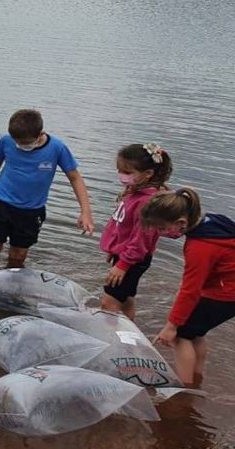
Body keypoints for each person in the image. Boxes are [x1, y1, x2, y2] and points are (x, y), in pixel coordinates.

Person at [0, 109, 94, 269]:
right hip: (1, 203)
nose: (21, 146)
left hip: (31, 211)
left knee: (18, 257)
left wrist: (85, 212)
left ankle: (10, 282)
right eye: (17, 142)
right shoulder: (6, 141)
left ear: (40, 134)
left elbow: (75, 178)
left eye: (26, 143)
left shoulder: (57, 147)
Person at [142, 188, 235, 388]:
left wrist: (170, 327)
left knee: (181, 336)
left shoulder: (199, 246)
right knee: (195, 332)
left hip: (226, 294)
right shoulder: (213, 221)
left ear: (181, 223)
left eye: (162, 228)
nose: (159, 233)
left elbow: (190, 290)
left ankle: (185, 388)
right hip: (226, 287)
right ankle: (197, 377)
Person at [98, 143, 173, 319]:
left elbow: (141, 241)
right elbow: (123, 226)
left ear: (148, 174)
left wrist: (123, 265)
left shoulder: (146, 202)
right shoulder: (134, 192)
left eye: (127, 172)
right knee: (126, 299)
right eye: (119, 170)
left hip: (132, 260)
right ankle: (130, 331)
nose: (121, 175)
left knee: (108, 303)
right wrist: (114, 248)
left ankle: (111, 335)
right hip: (126, 255)